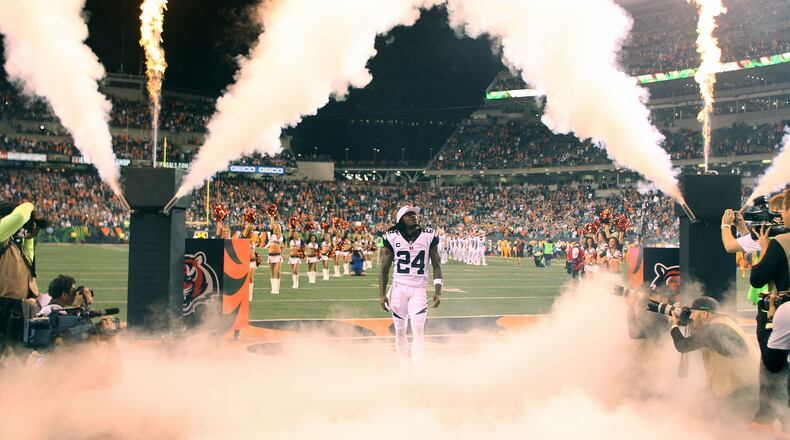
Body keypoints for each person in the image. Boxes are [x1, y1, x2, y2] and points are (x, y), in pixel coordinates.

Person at [379, 205, 442, 366]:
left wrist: (437, 290)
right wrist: (382, 294)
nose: (413, 216)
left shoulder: (428, 235)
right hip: (398, 289)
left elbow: (436, 264)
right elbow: (384, 268)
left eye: (414, 214)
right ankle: (402, 367)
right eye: (408, 214)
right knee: (400, 331)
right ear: (401, 220)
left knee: (418, 330)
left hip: (419, 290)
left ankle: (417, 371)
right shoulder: (391, 237)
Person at [668, 296, 759, 406]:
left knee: (703, 415)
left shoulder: (712, 330)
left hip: (739, 391)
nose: (690, 316)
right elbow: (700, 336)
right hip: (747, 385)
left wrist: (674, 324)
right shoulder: (722, 323)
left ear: (705, 314)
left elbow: (682, 345)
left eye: (693, 313)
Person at [0, 202, 40, 352]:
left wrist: (30, 233)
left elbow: (29, 260)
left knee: (21, 355)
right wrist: (30, 207)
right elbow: (20, 215)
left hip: (20, 307)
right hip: (3, 306)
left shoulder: (12, 242)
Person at [266, 221, 284, 294]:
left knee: (277, 272)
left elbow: (281, 244)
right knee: (272, 272)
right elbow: (272, 223)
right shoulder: (272, 235)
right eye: (276, 228)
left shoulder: (281, 237)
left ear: (280, 229)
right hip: (271, 255)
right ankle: (273, 289)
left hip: (277, 256)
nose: (277, 229)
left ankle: (277, 289)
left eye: (278, 228)